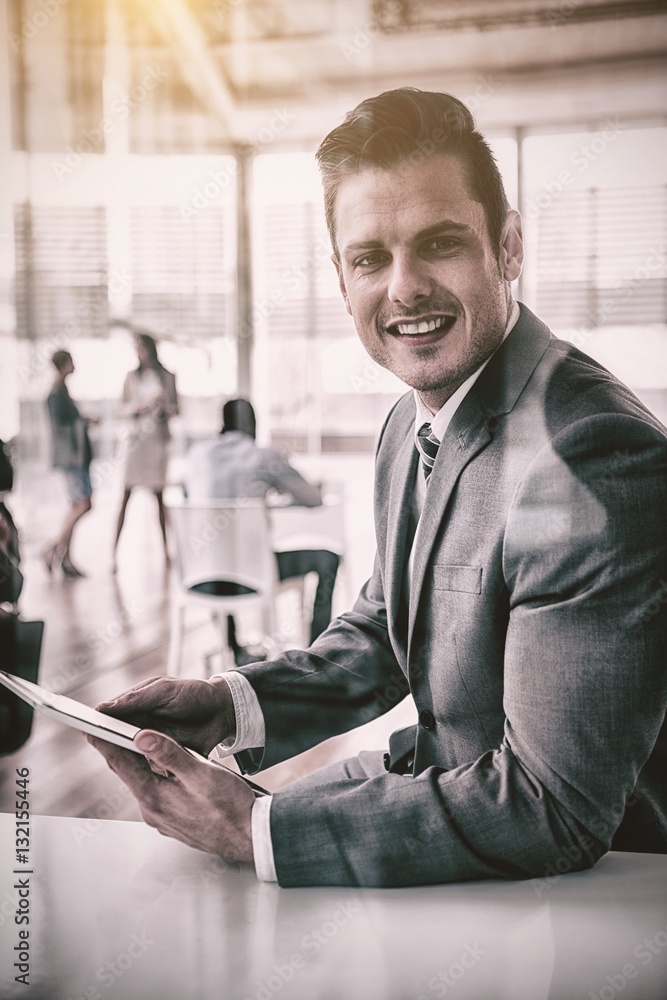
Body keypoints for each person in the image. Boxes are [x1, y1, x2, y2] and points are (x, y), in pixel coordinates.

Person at [90, 88, 667, 888]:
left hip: (587, 890)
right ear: (339, 277)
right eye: (369, 258)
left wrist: (254, 828)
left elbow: (553, 809)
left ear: (507, 249)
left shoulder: (596, 453)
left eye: (439, 244)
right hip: (445, 798)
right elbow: (389, 626)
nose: (403, 289)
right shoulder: (410, 420)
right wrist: (229, 704)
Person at [186, 397, 340, 656]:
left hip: (201, 577)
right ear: (250, 424)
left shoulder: (197, 455)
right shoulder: (264, 456)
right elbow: (313, 499)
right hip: (252, 578)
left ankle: (235, 647)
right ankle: (316, 654)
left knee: (222, 550)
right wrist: (279, 486)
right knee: (328, 560)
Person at [112, 333, 178, 571]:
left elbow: (176, 408)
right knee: (126, 496)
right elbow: (121, 407)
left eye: (142, 347)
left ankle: (166, 552)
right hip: (136, 442)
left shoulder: (167, 376)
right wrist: (139, 407)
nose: (139, 352)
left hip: (157, 442)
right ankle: (113, 554)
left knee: (159, 499)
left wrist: (163, 407)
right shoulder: (131, 377)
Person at [43, 350, 96, 578]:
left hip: (77, 458)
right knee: (82, 504)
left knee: (78, 505)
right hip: (72, 460)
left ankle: (64, 557)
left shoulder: (62, 392)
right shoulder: (55, 395)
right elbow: (60, 429)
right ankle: (53, 549)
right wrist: (81, 422)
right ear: (64, 364)